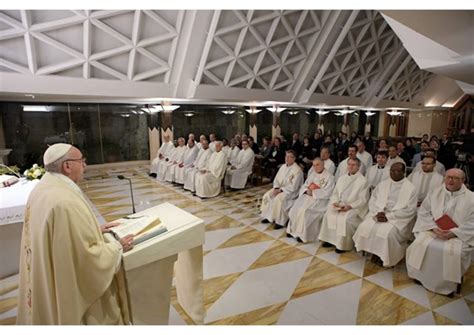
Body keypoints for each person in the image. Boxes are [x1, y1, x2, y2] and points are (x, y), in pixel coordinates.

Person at [17, 144, 133, 325]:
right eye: (81, 161)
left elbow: (61, 235)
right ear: (67, 166)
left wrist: (95, 230)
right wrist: (117, 247)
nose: (85, 165)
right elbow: (85, 258)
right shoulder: (64, 201)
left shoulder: (44, 188)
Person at [406, 169, 474, 296]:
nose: (450, 180)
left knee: (449, 251)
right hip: (434, 229)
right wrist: (432, 227)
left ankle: (447, 285)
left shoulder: (471, 198)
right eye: (448, 177)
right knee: (420, 244)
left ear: (463, 180)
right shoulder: (435, 192)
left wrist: (454, 232)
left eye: (455, 178)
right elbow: (424, 211)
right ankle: (420, 277)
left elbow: (472, 223)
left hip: (459, 235)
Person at [353, 163, 418, 267]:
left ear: (404, 173)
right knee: (364, 227)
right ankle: (374, 251)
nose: (393, 173)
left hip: (397, 219)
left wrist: (389, 216)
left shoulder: (411, 188)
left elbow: (410, 210)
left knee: (388, 234)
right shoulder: (383, 184)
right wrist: (377, 213)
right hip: (379, 214)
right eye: (391, 171)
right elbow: (373, 200)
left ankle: (385, 257)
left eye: (397, 171)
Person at [318, 158, 369, 253]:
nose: (350, 166)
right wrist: (335, 202)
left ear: (358, 167)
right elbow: (335, 193)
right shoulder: (342, 178)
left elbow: (363, 199)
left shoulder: (363, 181)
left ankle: (342, 245)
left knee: (345, 219)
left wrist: (349, 206)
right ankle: (330, 240)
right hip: (340, 204)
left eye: (353, 165)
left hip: (353, 208)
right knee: (328, 215)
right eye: (349, 164)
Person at [286, 158, 335, 243]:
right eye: (314, 165)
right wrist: (306, 190)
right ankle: (293, 231)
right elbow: (305, 185)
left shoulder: (330, 177)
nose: (315, 167)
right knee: (295, 208)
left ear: (323, 165)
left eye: (318, 165)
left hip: (320, 201)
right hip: (308, 197)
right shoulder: (312, 174)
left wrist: (313, 192)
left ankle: (303, 235)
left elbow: (328, 192)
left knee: (305, 211)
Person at [260, 150, 304, 229]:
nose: (287, 158)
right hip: (279, 188)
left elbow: (294, 186)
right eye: (286, 156)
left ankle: (279, 221)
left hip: (291, 192)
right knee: (267, 195)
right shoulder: (283, 167)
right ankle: (268, 216)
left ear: (294, 159)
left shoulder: (297, 170)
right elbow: (276, 179)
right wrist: (276, 188)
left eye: (289, 157)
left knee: (279, 198)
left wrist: (280, 190)